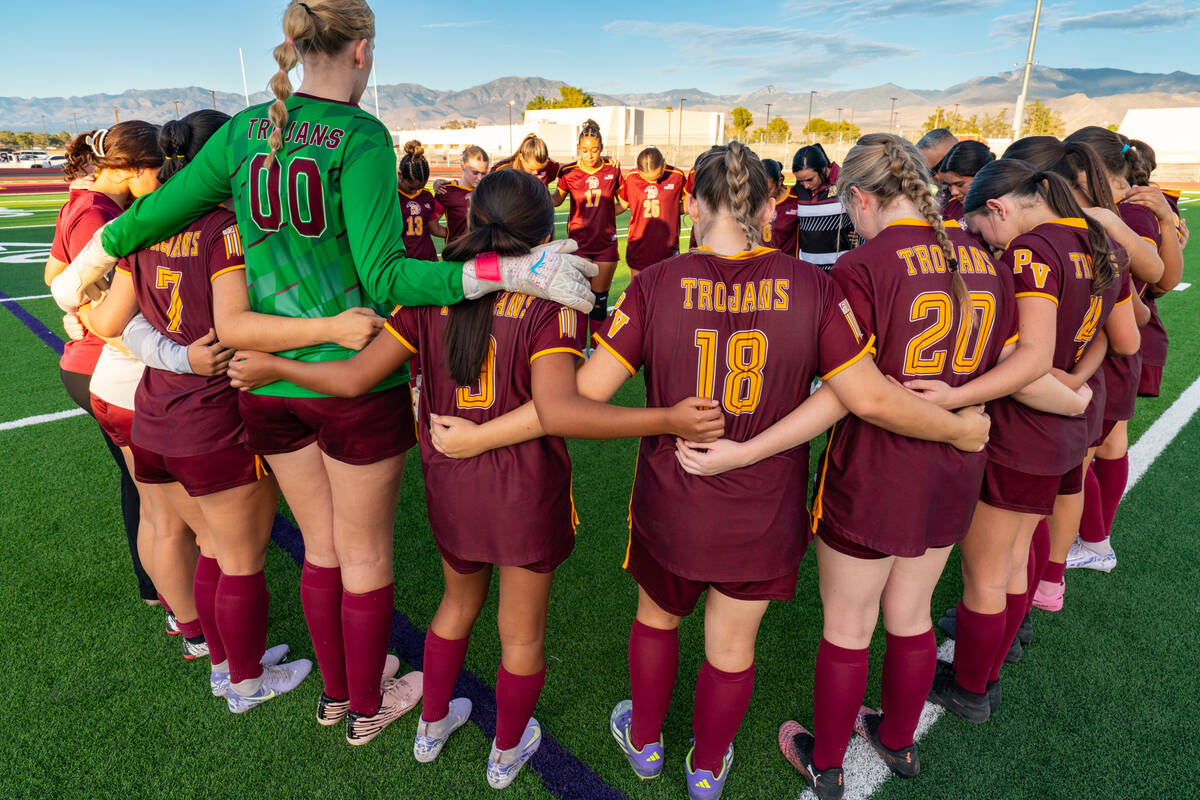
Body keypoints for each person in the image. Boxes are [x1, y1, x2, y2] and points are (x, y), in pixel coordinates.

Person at [59, 0, 597, 746]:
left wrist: (88, 261)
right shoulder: (361, 135)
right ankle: (365, 707)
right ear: (364, 50)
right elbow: (389, 279)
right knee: (366, 553)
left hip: (266, 382)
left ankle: (338, 694)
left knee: (321, 548)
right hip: (347, 376)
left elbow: (153, 216)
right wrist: (502, 269)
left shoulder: (249, 127)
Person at [224, 169, 717, 786]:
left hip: (452, 486)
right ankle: (506, 750)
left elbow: (353, 379)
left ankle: (431, 725)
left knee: (454, 607)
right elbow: (562, 411)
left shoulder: (430, 295)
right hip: (525, 495)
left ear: (469, 221)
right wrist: (668, 417)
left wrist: (274, 366)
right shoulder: (548, 305)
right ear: (544, 232)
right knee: (521, 637)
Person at [535, 141, 990, 800]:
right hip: (763, 506)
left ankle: (646, 742)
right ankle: (706, 766)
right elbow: (865, 396)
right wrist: (959, 428)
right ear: (773, 205)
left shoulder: (658, 282)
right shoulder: (813, 285)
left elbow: (582, 397)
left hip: (675, 495)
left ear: (693, 204)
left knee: (658, 619)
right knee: (731, 647)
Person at [670, 134, 1020, 799]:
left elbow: (844, 394)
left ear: (860, 196)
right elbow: (1008, 362)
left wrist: (747, 449)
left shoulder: (864, 266)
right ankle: (897, 739)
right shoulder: (981, 256)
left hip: (877, 472)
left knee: (850, 625)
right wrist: (964, 416)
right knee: (912, 612)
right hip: (954, 468)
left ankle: (826, 761)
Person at [84, 110, 344, 711]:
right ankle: (245, 682)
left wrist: (170, 350)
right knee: (240, 560)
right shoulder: (226, 227)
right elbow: (237, 323)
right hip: (211, 420)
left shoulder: (146, 224)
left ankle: (227, 665)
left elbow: (104, 321)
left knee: (210, 549)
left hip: (152, 415)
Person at [921, 159, 1134, 724]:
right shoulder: (1096, 236)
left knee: (987, 573)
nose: (981, 244)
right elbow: (1113, 339)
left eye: (979, 230)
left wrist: (949, 395)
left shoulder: (1033, 249)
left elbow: (1029, 355)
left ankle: (970, 688)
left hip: (1024, 427)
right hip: (1065, 426)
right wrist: (1074, 382)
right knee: (1016, 560)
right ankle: (989, 668)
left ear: (998, 207)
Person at [44, 123, 162, 606]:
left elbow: (53, 273)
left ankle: (160, 587)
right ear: (132, 168)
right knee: (152, 495)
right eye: (158, 170)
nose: (164, 180)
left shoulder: (86, 202)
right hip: (105, 364)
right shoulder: (100, 213)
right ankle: (164, 591)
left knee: (141, 487)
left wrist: (77, 314)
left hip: (89, 362)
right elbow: (107, 305)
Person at [1061, 127, 1182, 572]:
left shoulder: (1125, 213)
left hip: (1116, 341)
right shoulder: (1122, 209)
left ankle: (1088, 542)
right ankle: (1095, 541)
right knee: (1108, 444)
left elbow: (1158, 284)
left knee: (1084, 452)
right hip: (1116, 338)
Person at [553, 119, 624, 323]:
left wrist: (605, 216)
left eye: (594, 149)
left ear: (601, 148)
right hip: (579, 244)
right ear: (578, 148)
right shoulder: (568, 172)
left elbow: (625, 203)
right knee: (580, 299)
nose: (589, 154)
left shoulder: (612, 169)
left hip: (605, 245)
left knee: (599, 302)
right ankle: (577, 349)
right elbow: (557, 199)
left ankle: (593, 348)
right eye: (584, 150)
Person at [616, 146, 686, 277]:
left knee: (664, 294)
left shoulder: (677, 176)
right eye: (647, 178)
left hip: (667, 247)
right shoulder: (632, 178)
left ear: (664, 163)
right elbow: (622, 205)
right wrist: (599, 214)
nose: (652, 182)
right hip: (639, 246)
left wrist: (671, 208)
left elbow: (687, 206)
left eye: (656, 177)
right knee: (640, 293)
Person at [791, 144, 856, 270]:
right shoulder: (798, 189)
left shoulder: (845, 181)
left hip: (841, 269)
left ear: (823, 169)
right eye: (800, 181)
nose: (805, 185)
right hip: (808, 270)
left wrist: (860, 233)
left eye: (810, 179)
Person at [397, 140, 445, 261]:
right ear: (400, 174)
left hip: (428, 259)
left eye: (419, 188)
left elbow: (435, 228)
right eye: (411, 187)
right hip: (402, 262)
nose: (415, 192)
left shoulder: (426, 196)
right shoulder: (389, 196)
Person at [433, 144, 489, 244]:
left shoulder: (489, 189)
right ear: (462, 166)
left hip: (483, 253)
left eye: (483, 173)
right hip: (457, 253)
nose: (480, 178)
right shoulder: (446, 191)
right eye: (475, 173)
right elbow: (432, 225)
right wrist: (452, 235)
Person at [937, 141, 995, 223]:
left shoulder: (996, 211)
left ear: (982, 176)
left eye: (960, 184)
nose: (953, 192)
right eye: (949, 185)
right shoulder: (952, 206)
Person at [761, 159, 799, 256]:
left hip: (786, 265)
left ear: (779, 182)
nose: (763, 194)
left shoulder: (795, 199)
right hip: (761, 264)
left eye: (768, 190)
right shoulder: (753, 199)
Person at [493, 133, 560, 187]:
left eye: (540, 170)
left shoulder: (549, 165)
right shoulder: (501, 171)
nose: (536, 173)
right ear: (521, 157)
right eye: (531, 169)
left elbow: (566, 169)